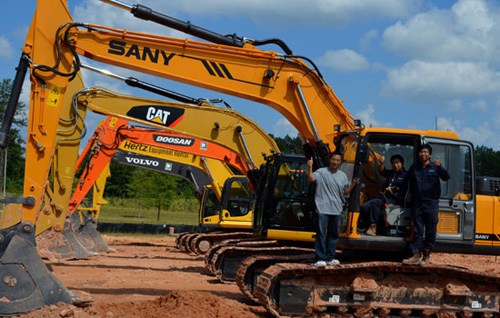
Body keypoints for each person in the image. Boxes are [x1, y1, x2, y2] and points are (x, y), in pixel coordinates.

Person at [307, 152, 358, 267]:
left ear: (340, 162)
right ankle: (320, 258)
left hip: (336, 209)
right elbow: (310, 179)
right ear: (330, 160)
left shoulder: (343, 176)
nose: (335, 162)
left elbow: (345, 192)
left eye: (338, 160)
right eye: (333, 159)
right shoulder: (321, 172)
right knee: (321, 234)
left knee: (334, 235)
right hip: (323, 208)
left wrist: (353, 185)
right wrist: (310, 167)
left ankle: (330, 258)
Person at [403, 143, 449, 266]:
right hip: (418, 202)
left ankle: (427, 256)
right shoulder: (414, 167)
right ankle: (416, 255)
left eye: (425, 152)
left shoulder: (435, 167)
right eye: (421, 152)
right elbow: (409, 181)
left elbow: (446, 177)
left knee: (430, 229)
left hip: (431, 203)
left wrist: (440, 167)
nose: (423, 154)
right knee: (417, 229)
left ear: (430, 154)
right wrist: (410, 194)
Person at [360, 154, 409, 236]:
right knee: (364, 207)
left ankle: (373, 227)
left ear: (402, 163)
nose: (395, 165)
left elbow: (406, 191)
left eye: (397, 162)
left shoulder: (406, 175)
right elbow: (382, 171)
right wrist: (381, 163)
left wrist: (393, 191)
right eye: (393, 163)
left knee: (376, 203)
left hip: (396, 200)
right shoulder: (391, 173)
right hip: (384, 198)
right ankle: (365, 226)